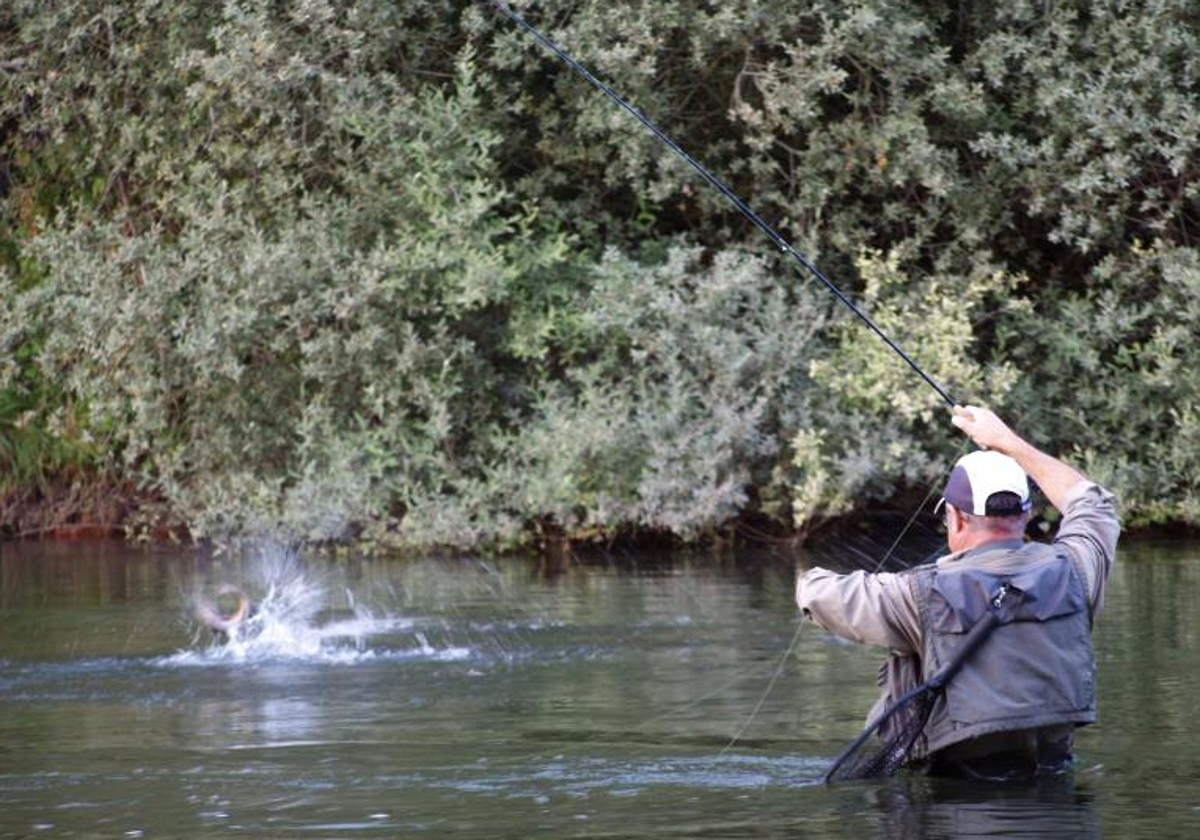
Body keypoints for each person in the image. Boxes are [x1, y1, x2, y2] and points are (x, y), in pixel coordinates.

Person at [797, 405, 1120, 781]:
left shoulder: (914, 594)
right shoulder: (1078, 569)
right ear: (1027, 514)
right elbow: (1092, 501)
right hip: (1056, 792)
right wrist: (1008, 442)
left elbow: (818, 594)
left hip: (954, 805)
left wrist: (805, 577)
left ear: (958, 517)